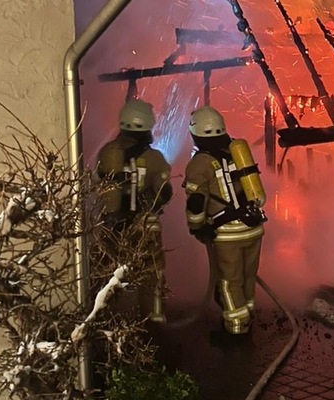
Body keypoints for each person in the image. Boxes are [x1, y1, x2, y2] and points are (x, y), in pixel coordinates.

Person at [184, 106, 267, 335]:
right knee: (247, 277)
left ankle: (237, 329)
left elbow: (196, 202)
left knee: (229, 282)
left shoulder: (199, 163)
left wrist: (197, 226)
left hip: (228, 234)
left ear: (196, 133)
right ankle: (248, 316)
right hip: (253, 227)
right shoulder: (236, 151)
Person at [96, 98, 172, 322]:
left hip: (111, 225)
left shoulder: (107, 152)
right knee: (152, 273)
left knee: (107, 273)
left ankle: (103, 320)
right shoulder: (155, 158)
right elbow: (164, 193)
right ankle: (153, 321)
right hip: (145, 226)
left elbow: (101, 183)